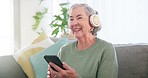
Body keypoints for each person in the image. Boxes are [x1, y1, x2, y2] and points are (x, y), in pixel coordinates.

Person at [47, 3, 118, 78]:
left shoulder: (106, 49)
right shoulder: (64, 50)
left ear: (92, 21)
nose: (74, 23)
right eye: (71, 19)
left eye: (79, 18)